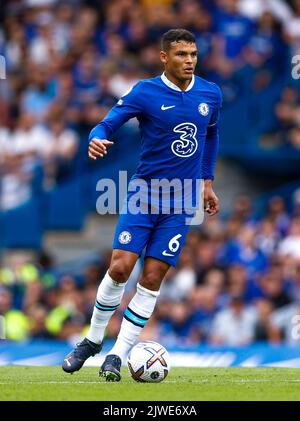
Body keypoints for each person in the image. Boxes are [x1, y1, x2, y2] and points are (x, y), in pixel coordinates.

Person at [62, 28, 222, 381]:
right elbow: (106, 125)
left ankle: (118, 355)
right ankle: (92, 339)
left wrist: (207, 184)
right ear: (164, 57)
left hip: (182, 201)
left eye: (193, 54)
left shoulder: (211, 93)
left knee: (152, 278)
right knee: (120, 268)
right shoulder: (145, 92)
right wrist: (97, 139)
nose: (190, 61)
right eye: (182, 55)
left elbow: (211, 134)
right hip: (144, 194)